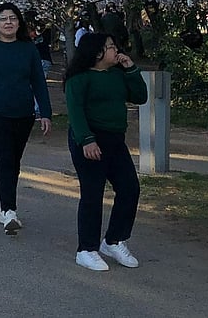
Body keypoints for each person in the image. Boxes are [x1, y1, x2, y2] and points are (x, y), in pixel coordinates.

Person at [0, 3, 53, 234]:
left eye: (12, 18)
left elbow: (38, 82)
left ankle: (5, 208)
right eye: (3, 19)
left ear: (19, 22)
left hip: (23, 113)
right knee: (4, 159)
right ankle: (9, 210)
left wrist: (45, 112)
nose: (8, 23)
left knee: (13, 161)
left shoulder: (28, 49)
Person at [65, 32, 148, 271]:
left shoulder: (117, 75)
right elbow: (76, 112)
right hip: (90, 139)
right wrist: (87, 140)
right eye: (110, 47)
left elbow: (140, 96)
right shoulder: (79, 78)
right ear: (96, 52)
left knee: (129, 188)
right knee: (93, 192)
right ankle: (86, 249)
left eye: (114, 46)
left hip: (115, 139)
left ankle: (113, 240)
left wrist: (131, 69)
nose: (115, 50)